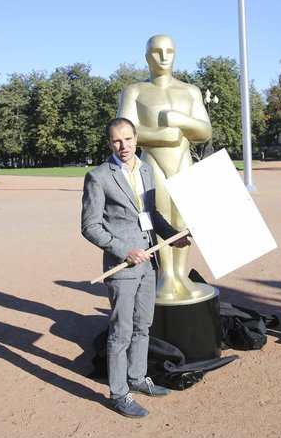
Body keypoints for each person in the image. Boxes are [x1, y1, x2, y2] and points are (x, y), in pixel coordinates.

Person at [81, 118, 191, 418]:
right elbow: (90, 226)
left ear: (136, 139)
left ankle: (138, 377)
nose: (124, 145)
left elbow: (152, 214)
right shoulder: (98, 177)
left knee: (143, 325)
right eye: (117, 141)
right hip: (122, 267)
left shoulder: (145, 169)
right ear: (108, 143)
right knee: (121, 332)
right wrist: (123, 249)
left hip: (148, 264)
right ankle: (119, 394)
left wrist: (172, 237)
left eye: (128, 139)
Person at [117, 34, 213, 301]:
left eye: (169, 51)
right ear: (147, 56)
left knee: (183, 220)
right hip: (152, 162)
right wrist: (162, 135)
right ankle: (166, 275)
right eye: (157, 51)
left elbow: (205, 130)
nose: (163, 57)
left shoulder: (190, 91)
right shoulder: (135, 91)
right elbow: (123, 131)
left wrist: (180, 120)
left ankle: (180, 275)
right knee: (159, 218)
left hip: (184, 161)